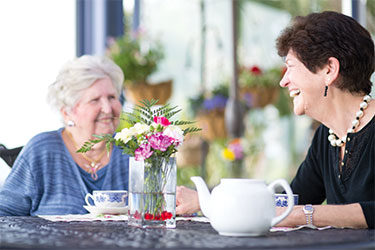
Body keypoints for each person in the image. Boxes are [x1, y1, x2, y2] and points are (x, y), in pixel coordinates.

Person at [176, 11, 374, 229]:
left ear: (329, 69)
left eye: (290, 66)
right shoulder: (327, 137)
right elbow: (289, 201)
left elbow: (294, 211)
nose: (283, 81)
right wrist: (207, 202)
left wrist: (303, 215)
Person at [0, 55, 129, 215]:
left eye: (112, 97)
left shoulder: (133, 152)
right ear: (68, 113)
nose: (108, 109)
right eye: (95, 100)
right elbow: (4, 215)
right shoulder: (41, 151)